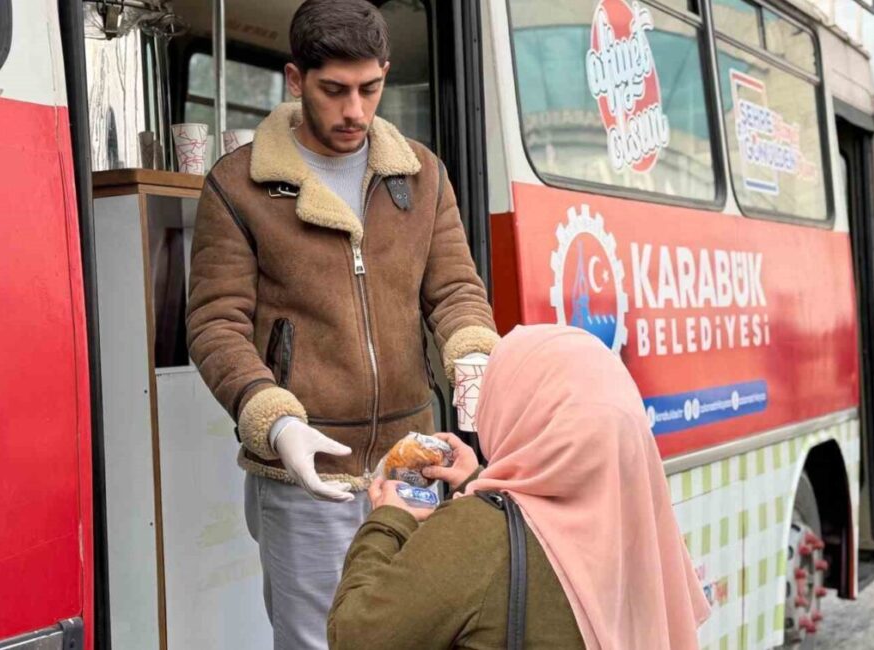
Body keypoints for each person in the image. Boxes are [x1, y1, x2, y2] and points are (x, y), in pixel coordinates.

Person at [186, 0, 499, 646]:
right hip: (306, 470)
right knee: (320, 640)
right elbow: (216, 324)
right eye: (334, 90)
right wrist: (276, 422)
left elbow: (455, 291)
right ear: (295, 80)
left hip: (413, 462)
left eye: (370, 88)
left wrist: (473, 354)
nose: (356, 110)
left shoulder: (422, 175)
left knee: (420, 636)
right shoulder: (237, 186)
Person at [328, 325, 710, 649]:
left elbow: (356, 636)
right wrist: (479, 481)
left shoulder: (476, 532)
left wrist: (388, 521)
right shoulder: (643, 529)